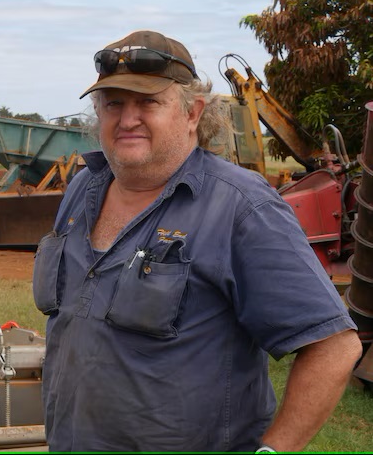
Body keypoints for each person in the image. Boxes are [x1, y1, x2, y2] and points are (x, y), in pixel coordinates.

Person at [32, 30, 363, 452]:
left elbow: (333, 346)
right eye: (113, 103)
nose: (127, 118)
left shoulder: (242, 209)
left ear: (193, 112)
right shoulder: (83, 189)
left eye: (148, 102)